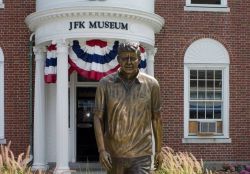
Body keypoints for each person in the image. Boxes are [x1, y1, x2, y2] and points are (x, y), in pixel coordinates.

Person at [94, 42, 163, 174]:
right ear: (118, 59)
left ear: (139, 59)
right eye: (125, 58)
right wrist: (102, 150)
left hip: (141, 155)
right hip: (114, 154)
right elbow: (98, 117)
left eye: (133, 58)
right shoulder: (105, 84)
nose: (129, 62)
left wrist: (159, 151)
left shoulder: (152, 84)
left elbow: (157, 119)